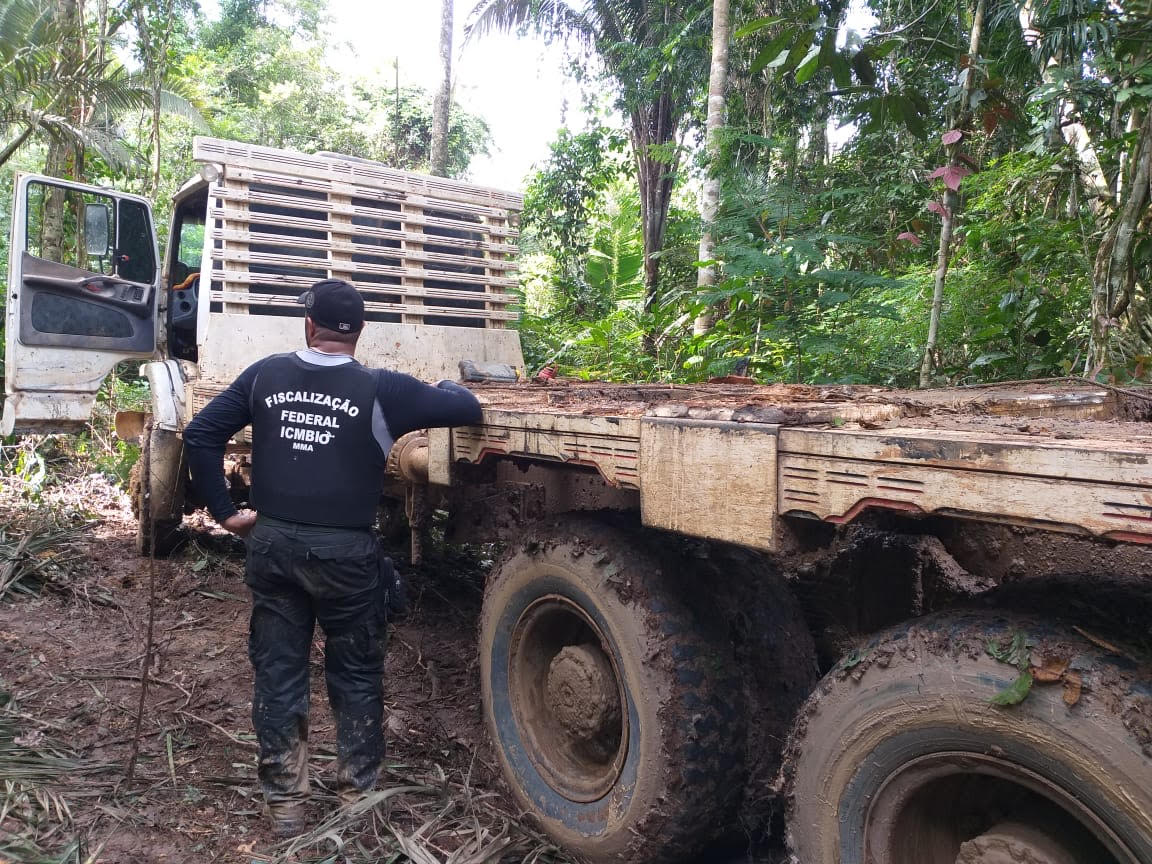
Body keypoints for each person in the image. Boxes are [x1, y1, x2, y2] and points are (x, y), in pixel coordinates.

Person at [183, 278, 482, 837]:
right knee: (357, 673)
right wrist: (444, 383)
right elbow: (465, 406)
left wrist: (227, 513)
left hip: (273, 546)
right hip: (347, 555)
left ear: (308, 325)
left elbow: (200, 434)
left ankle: (286, 806)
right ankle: (356, 797)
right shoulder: (383, 388)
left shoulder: (265, 374)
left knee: (279, 672)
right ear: (361, 331)